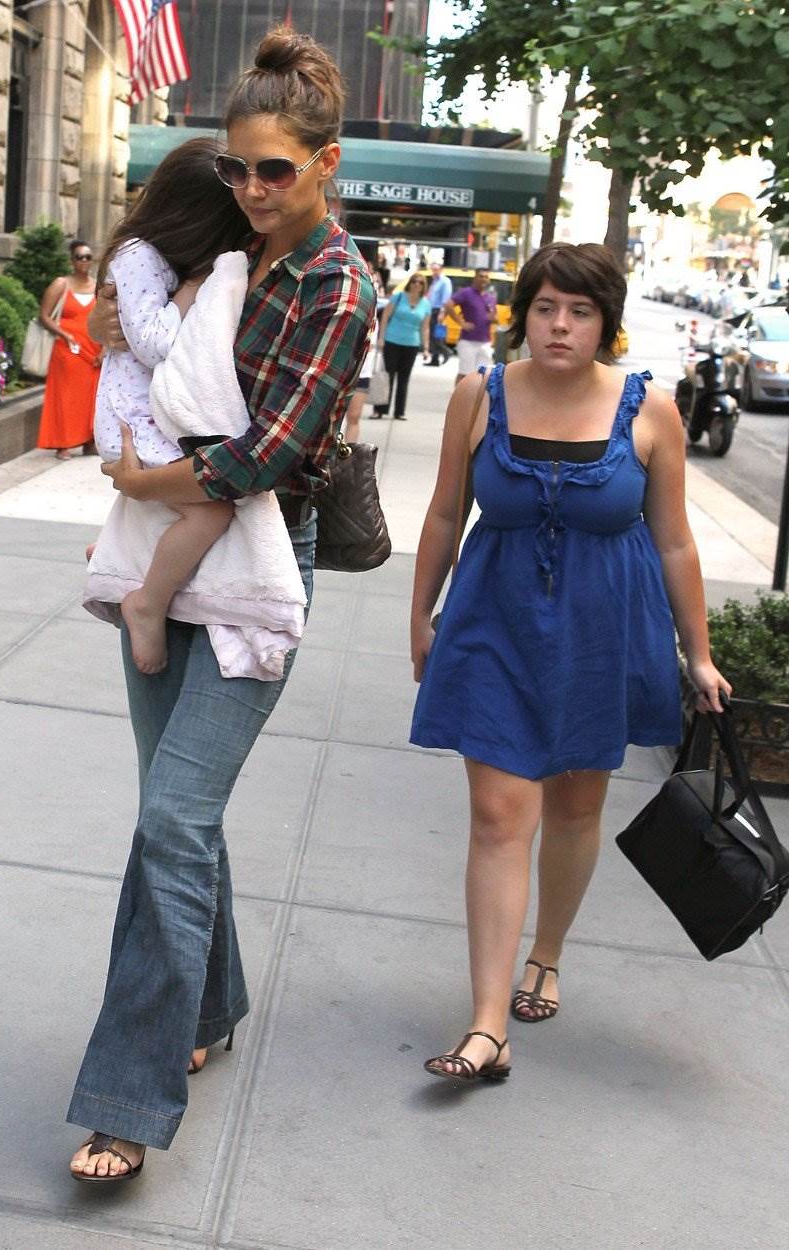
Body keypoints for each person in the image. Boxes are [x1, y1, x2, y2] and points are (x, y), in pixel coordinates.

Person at [67, 26, 375, 1183]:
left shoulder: (337, 285)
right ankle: (211, 1001)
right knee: (174, 811)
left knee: (172, 817)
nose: (251, 187)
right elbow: (141, 326)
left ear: (326, 162)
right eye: (238, 168)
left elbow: (261, 456)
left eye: (274, 170)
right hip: (166, 548)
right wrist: (113, 327)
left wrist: (141, 479)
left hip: (256, 559)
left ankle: (126, 1099)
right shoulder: (228, 243)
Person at [409, 242, 730, 1086]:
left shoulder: (649, 409)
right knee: (497, 814)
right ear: (524, 314)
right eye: (546, 307)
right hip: (493, 622)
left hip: (604, 631)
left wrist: (697, 654)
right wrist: (420, 616)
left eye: (579, 311)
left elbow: (673, 540)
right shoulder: (479, 396)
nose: (559, 325)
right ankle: (486, 1025)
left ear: (605, 323)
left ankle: (544, 954)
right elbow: (443, 514)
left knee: (576, 805)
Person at [89, 137, 252, 675]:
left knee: (192, 504)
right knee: (211, 509)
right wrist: (193, 288)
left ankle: (118, 555)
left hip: (142, 417)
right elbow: (154, 343)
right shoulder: (139, 255)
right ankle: (147, 602)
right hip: (132, 423)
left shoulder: (147, 253)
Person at [36, 240, 102, 459]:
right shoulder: (61, 284)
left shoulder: (98, 286)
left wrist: (105, 348)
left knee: (90, 397)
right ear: (72, 261)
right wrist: (64, 334)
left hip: (93, 349)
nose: (84, 261)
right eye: (79, 257)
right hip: (67, 348)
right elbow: (44, 316)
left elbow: (105, 318)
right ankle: (63, 443)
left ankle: (88, 441)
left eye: (88, 257)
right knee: (66, 396)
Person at [372, 272, 431, 421]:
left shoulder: (425, 304)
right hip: (392, 340)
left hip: (411, 344)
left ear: (423, 286)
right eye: (414, 281)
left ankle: (399, 411)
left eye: (420, 283)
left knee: (404, 378)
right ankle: (379, 410)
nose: (417, 284)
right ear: (410, 283)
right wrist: (381, 338)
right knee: (387, 376)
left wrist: (426, 348)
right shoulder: (398, 297)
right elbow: (385, 316)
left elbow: (425, 327)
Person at [446, 267, 497, 385]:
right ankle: (459, 395)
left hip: (485, 342)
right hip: (468, 341)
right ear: (475, 277)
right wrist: (461, 323)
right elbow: (449, 305)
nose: (483, 279)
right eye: (481, 276)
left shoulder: (490, 297)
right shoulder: (466, 293)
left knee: (484, 375)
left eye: (486, 277)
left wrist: (493, 319)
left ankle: (477, 396)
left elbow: (494, 318)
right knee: (465, 374)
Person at [426, 261, 453, 366]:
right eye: (433, 270)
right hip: (431, 310)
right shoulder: (434, 281)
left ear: (441, 270)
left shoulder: (445, 281)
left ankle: (446, 351)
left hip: (438, 311)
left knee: (436, 335)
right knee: (433, 336)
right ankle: (435, 359)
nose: (434, 272)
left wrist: (442, 312)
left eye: (436, 270)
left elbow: (446, 298)